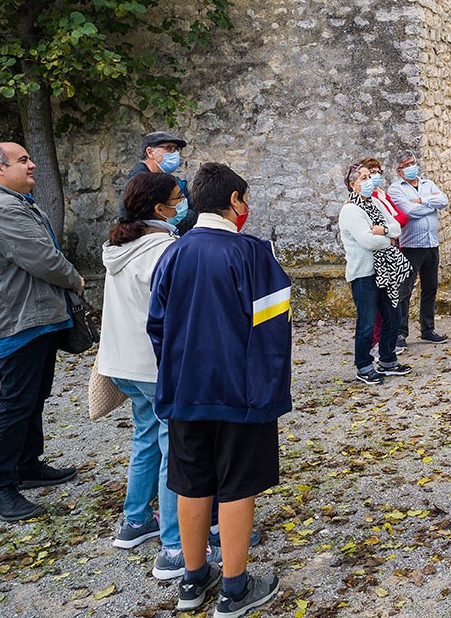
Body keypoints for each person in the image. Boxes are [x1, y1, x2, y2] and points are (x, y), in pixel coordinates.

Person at [147, 162, 290, 614]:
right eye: (244, 199)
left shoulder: (170, 253)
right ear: (234, 201)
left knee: (191, 483)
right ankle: (234, 587)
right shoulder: (253, 254)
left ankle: (192, 581)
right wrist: (269, 394)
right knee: (236, 485)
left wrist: (177, 373)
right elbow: (273, 331)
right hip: (240, 393)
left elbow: (157, 327)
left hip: (186, 390)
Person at [98, 172, 218, 578]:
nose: (182, 203)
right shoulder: (163, 251)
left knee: (146, 436)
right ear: (159, 209)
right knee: (176, 451)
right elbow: (178, 313)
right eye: (176, 198)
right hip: (155, 366)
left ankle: (134, 521)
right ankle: (174, 546)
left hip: (122, 364)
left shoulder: (120, 246)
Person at [0, 142, 84, 523]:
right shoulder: (2, 208)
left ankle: (27, 465)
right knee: (17, 403)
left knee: (34, 397)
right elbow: (43, 259)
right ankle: (0, 488)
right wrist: (76, 279)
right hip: (19, 321)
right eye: (22, 160)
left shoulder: (17, 201)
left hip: (34, 317)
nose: (32, 164)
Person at [339, 162, 413, 384]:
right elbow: (367, 240)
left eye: (368, 176)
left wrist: (386, 231)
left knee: (394, 315)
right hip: (364, 275)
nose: (368, 180)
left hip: (385, 272)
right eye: (362, 178)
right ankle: (363, 366)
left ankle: (388, 360)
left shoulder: (375, 204)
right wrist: (388, 238)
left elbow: (397, 227)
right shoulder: (350, 210)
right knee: (367, 322)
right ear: (353, 185)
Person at [388, 155, 450, 345]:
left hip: (432, 244)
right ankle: (400, 332)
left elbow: (444, 200)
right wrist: (430, 205)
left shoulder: (428, 183)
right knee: (404, 291)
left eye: (412, 163)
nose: (410, 167)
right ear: (399, 171)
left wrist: (420, 200)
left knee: (430, 288)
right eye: (405, 166)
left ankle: (428, 329)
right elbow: (409, 212)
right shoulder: (395, 189)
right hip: (410, 247)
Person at [119, 131, 196, 230]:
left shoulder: (170, 180)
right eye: (169, 148)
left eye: (176, 149)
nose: (175, 153)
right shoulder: (138, 183)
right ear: (150, 152)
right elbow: (130, 221)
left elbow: (194, 210)